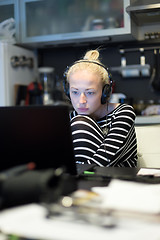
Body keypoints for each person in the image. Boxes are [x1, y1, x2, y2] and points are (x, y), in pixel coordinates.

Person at [63, 49, 137, 167]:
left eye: (90, 93)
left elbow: (103, 161)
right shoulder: (72, 116)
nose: (81, 101)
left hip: (120, 179)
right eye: (75, 92)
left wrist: (72, 172)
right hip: (84, 180)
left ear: (105, 92)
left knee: (80, 123)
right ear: (68, 92)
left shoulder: (123, 113)